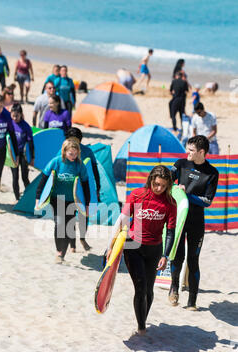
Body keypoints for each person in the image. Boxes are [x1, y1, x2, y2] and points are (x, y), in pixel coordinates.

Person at [107, 165, 177, 336]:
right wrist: (110, 246)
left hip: (154, 249)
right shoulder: (138, 195)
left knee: (149, 290)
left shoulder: (170, 203)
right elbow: (122, 219)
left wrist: (165, 255)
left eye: (163, 186)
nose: (159, 189)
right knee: (140, 288)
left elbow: (170, 231)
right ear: (151, 181)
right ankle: (141, 328)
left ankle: (142, 319)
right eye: (156, 184)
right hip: (133, 247)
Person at [169, 135, 219, 310]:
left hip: (196, 222)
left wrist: (187, 195)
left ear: (201, 152)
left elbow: (207, 201)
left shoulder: (212, 173)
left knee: (193, 260)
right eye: (187, 149)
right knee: (177, 255)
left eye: (191, 150)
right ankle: (174, 289)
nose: (187, 153)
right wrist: (175, 188)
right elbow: (167, 180)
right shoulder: (180, 164)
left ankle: (192, 301)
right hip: (179, 219)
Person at [35, 138, 90, 263]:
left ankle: (61, 254)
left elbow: (86, 186)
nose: (73, 156)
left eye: (75, 154)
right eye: (71, 153)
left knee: (68, 226)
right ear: (64, 151)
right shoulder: (56, 162)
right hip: (57, 199)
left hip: (73, 200)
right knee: (59, 223)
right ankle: (59, 250)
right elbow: (43, 180)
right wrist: (38, 198)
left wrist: (86, 204)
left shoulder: (79, 166)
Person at [58, 127, 101, 252]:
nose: (73, 143)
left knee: (84, 214)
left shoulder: (88, 151)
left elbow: (94, 171)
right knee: (69, 216)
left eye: (76, 140)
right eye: (70, 140)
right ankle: (72, 245)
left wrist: (97, 187)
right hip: (68, 188)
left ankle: (82, 238)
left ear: (80, 140)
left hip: (84, 188)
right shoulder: (63, 151)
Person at [10, 103, 34, 201]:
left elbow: (31, 143)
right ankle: (17, 198)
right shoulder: (9, 124)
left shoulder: (25, 126)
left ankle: (28, 196)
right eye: (13, 115)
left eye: (17, 115)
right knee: (15, 177)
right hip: (13, 155)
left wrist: (32, 157)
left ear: (21, 114)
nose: (15, 118)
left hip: (23, 155)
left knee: (25, 176)